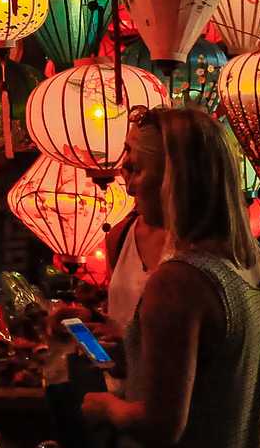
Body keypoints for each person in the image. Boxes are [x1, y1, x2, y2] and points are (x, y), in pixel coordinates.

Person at [81, 107, 260, 448]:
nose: (129, 186)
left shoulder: (179, 281)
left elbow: (160, 426)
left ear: (172, 178)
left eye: (135, 168)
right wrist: (134, 350)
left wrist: (105, 407)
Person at [103, 116, 173, 353]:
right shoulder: (121, 236)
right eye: (126, 169)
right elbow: (128, 323)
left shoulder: (201, 256)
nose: (130, 187)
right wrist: (100, 324)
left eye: (137, 169)